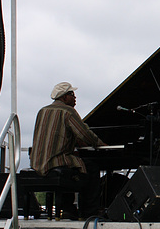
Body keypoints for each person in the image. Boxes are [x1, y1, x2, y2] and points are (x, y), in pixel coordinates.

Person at [30, 82, 107, 218]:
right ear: (64, 97)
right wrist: (101, 144)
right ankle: (90, 212)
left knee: (72, 167)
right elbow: (85, 134)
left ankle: (68, 209)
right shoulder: (68, 111)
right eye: (72, 94)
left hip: (37, 161)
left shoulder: (42, 111)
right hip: (54, 160)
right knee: (91, 168)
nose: (75, 97)